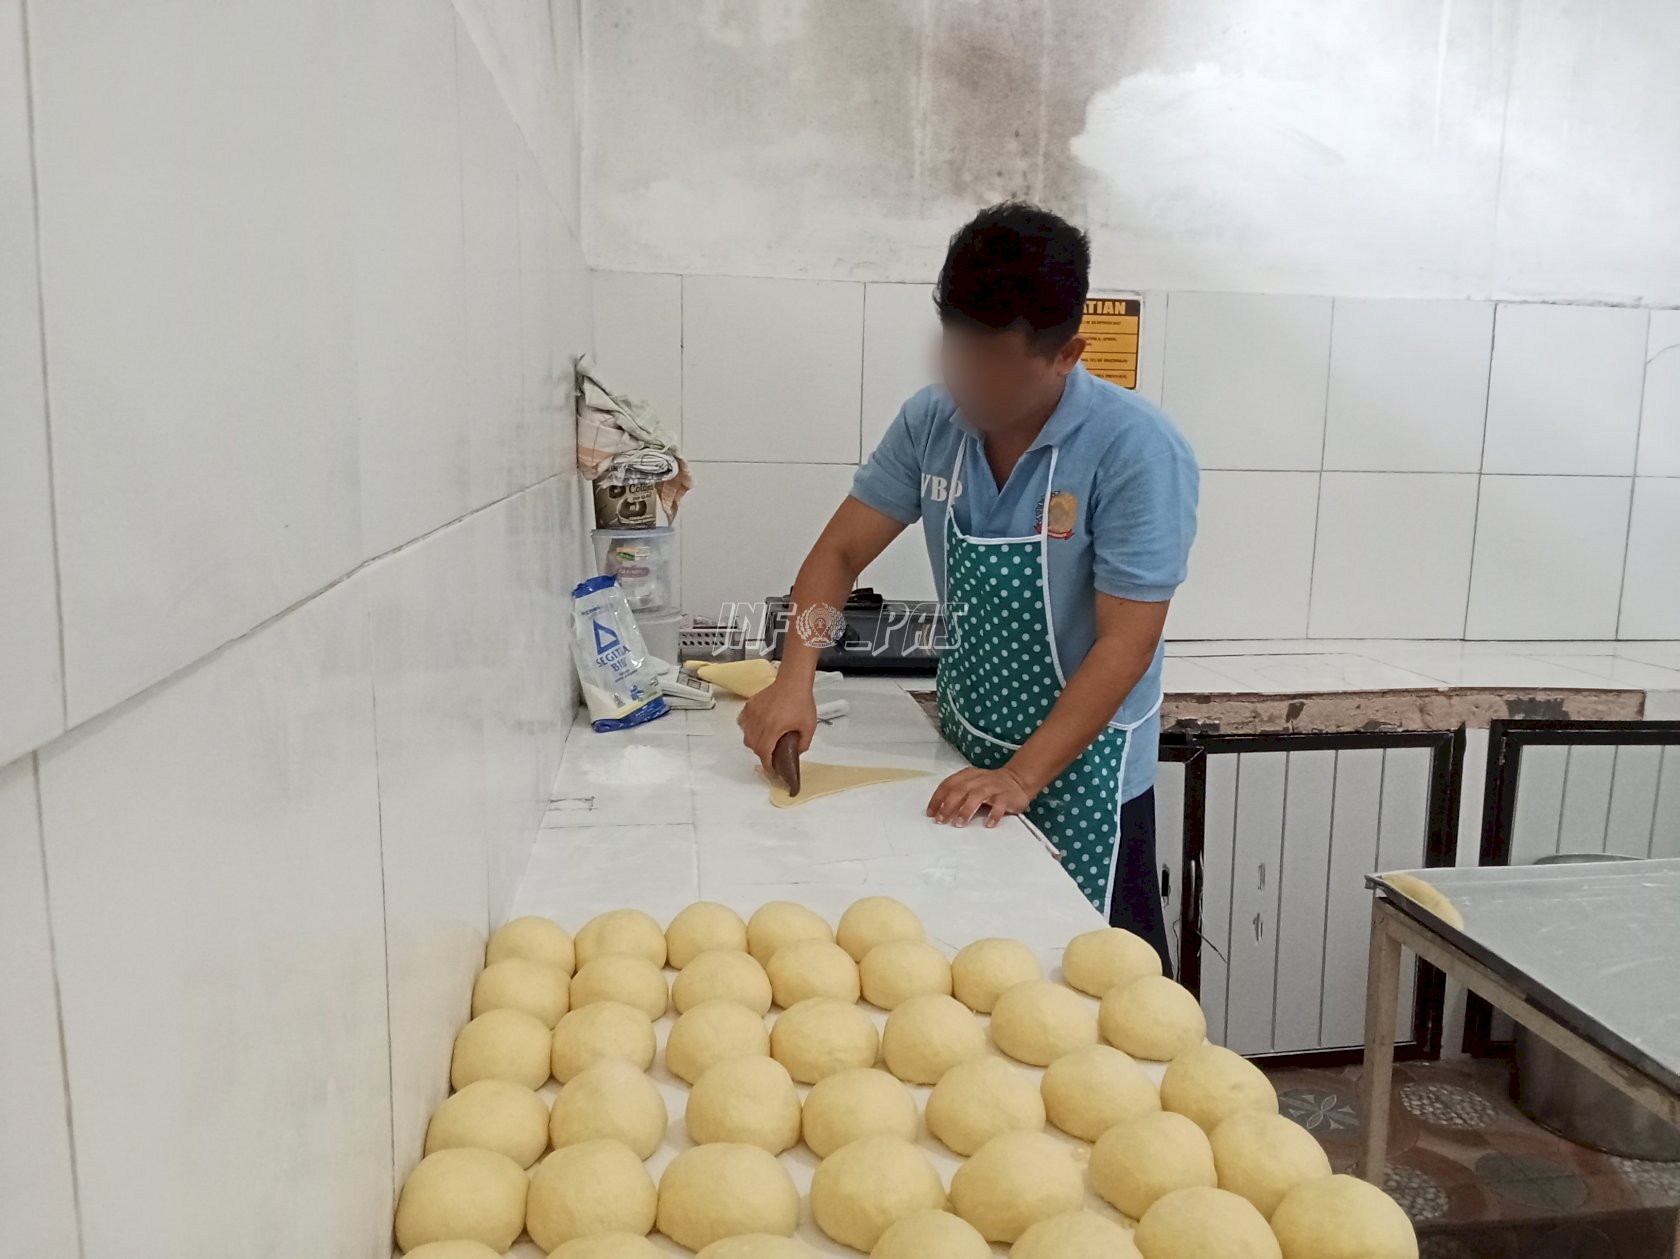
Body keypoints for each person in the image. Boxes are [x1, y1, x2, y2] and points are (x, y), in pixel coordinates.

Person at [740, 202, 1198, 968]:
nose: (968, 384)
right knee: (967, 968)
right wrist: (795, 678)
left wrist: (1022, 775)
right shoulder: (933, 424)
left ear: (1066, 354)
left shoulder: (1134, 451)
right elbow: (840, 554)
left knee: (1096, 988)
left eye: (995, 365)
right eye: (958, 354)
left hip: (1082, 772)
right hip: (966, 753)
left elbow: (1126, 644)